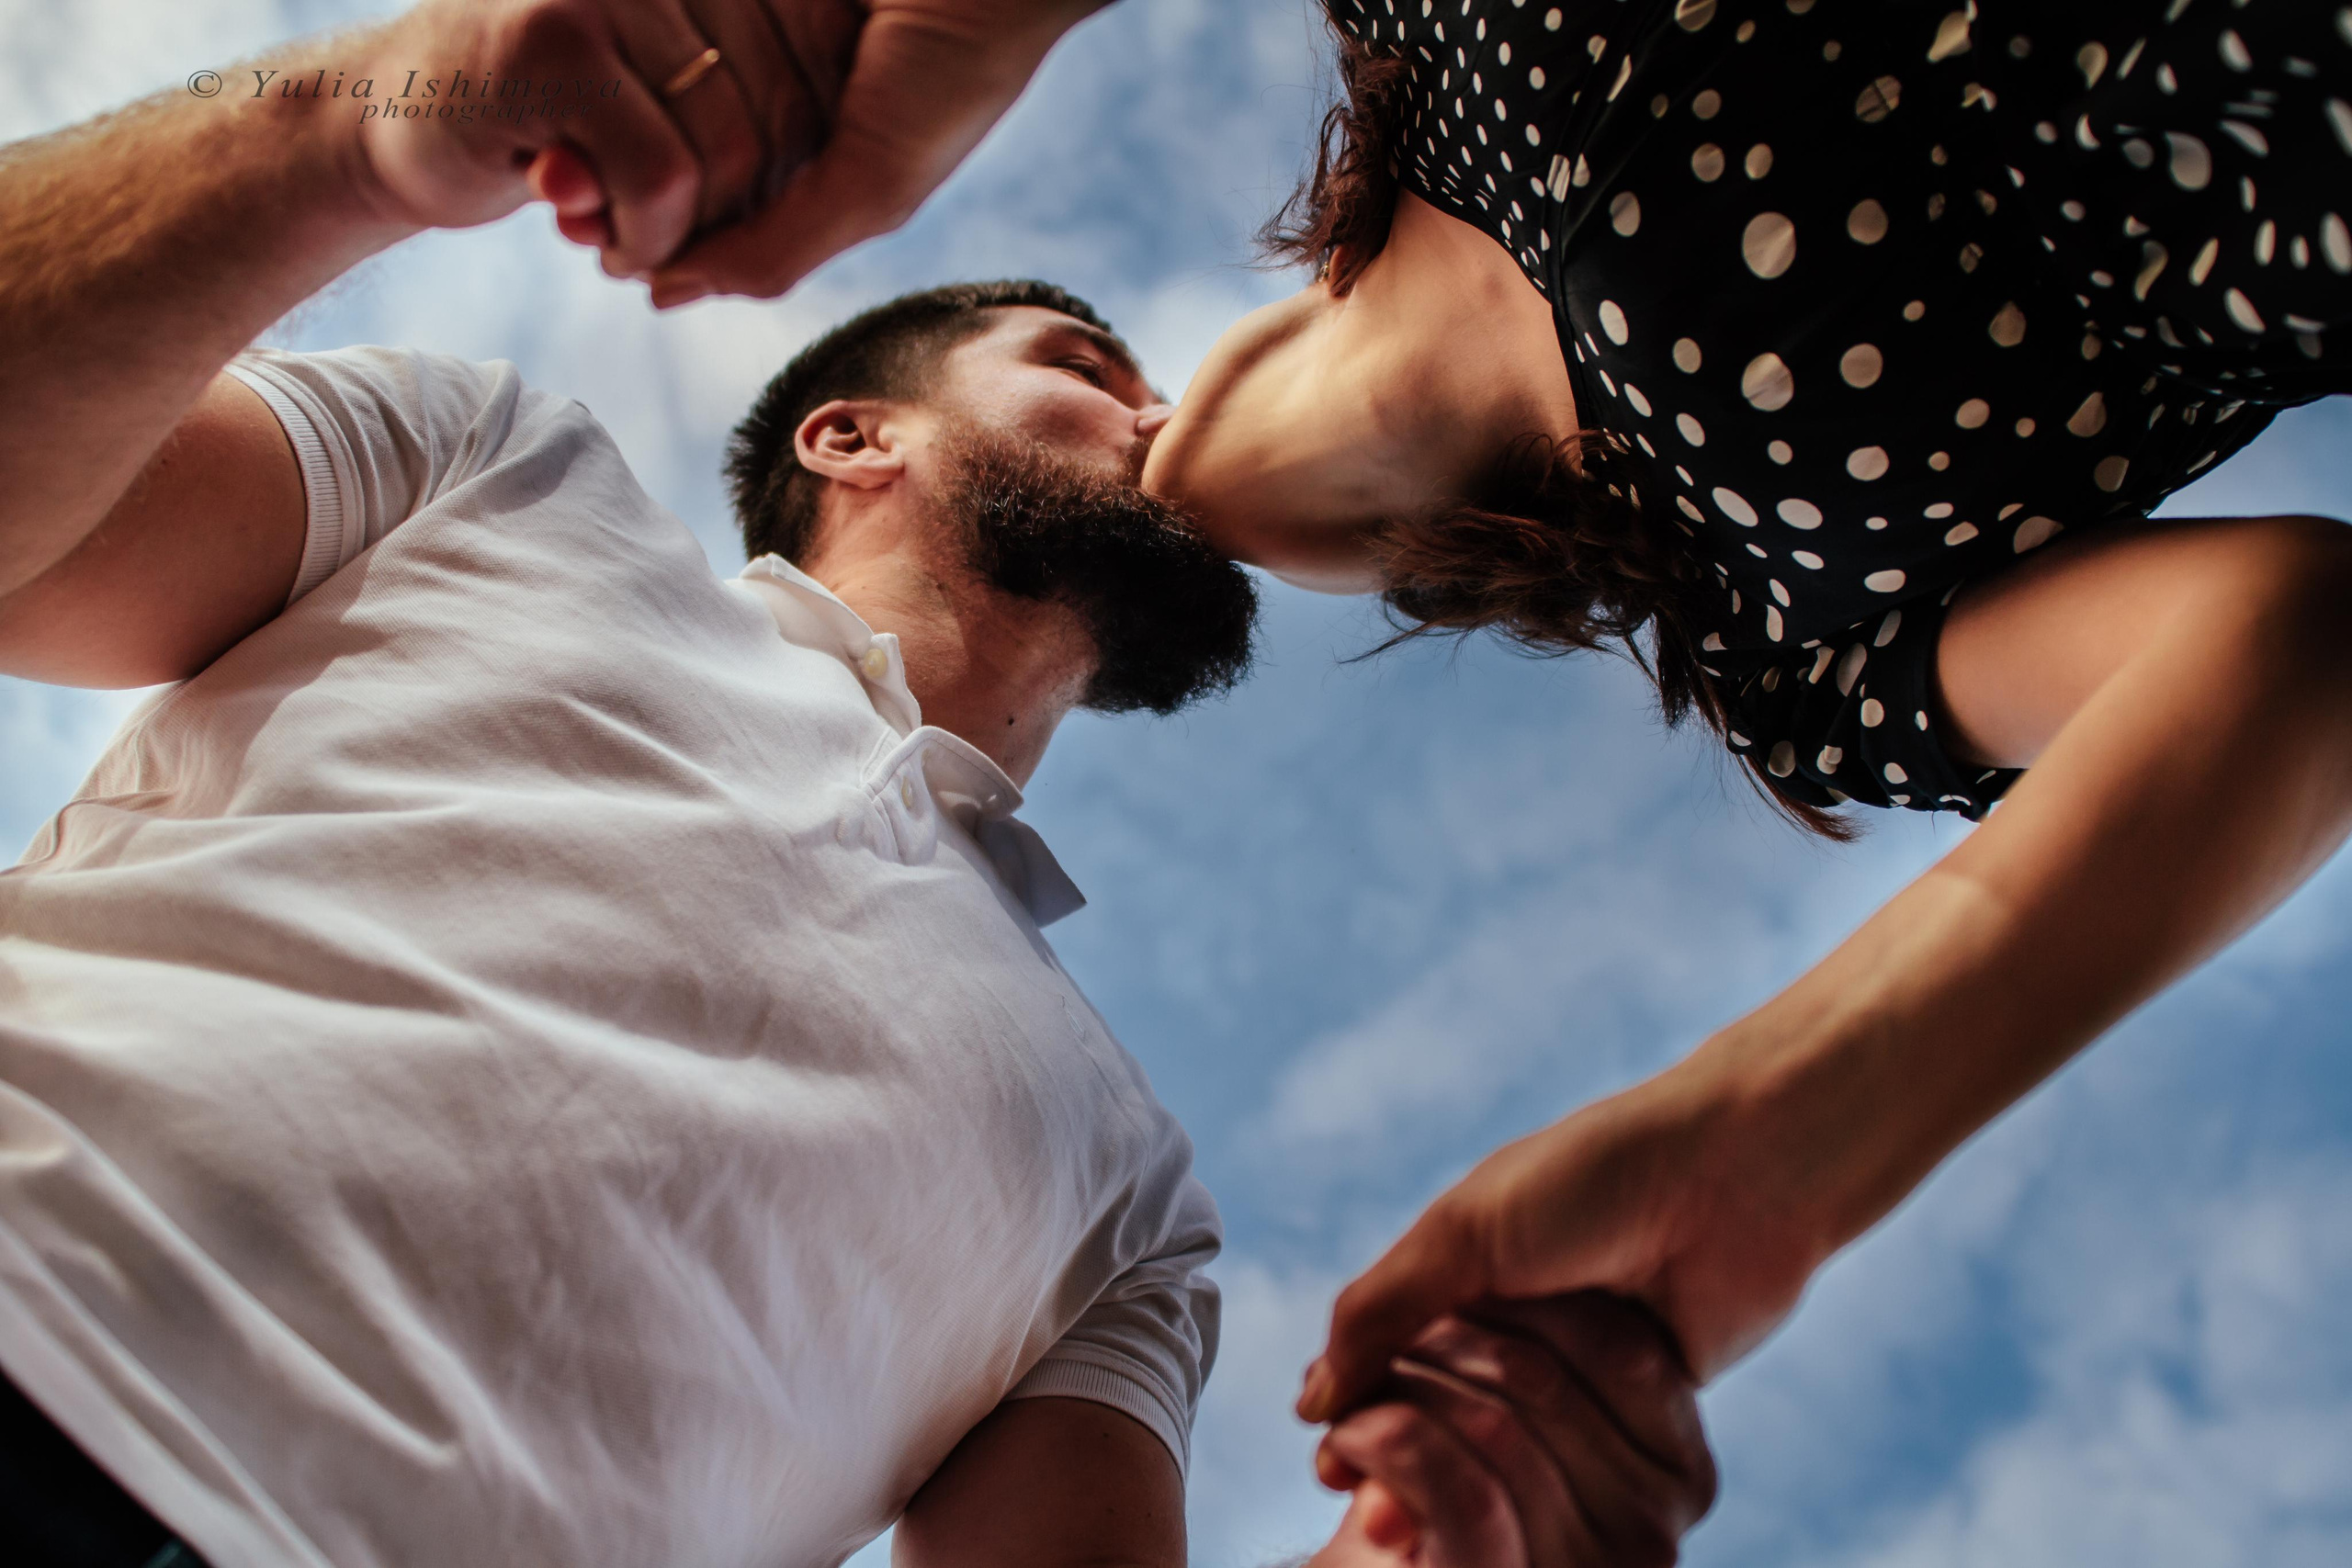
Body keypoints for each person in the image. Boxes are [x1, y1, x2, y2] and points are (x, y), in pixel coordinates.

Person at [0, 4, 1724, 1565]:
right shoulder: (497, 477)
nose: (1166, 415)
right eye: (1085, 368)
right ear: (854, 436)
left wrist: (1432, 1550)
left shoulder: (1129, 1204)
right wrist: (355, 127)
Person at [641, 0, 2352, 1465]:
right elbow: (2294, 651)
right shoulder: (1782, 649)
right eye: (1077, 375)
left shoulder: (1447, 41)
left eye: (1092, 359)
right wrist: (1762, 1142)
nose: (1134, 420)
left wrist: (962, 36)